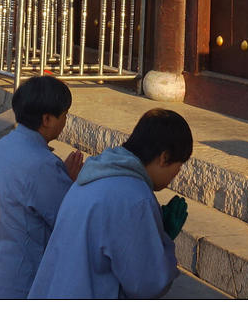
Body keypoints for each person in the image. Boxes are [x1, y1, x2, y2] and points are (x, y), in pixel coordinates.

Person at [28, 108, 193, 299]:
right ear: (164, 158)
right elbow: (146, 284)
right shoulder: (136, 197)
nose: (174, 176)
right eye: (178, 167)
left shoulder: (95, 174)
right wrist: (163, 241)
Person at [0, 75, 85, 298]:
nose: (65, 122)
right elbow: (67, 220)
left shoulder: (2, 146)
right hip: (9, 286)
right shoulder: (43, 164)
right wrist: (69, 184)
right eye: (64, 115)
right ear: (47, 119)